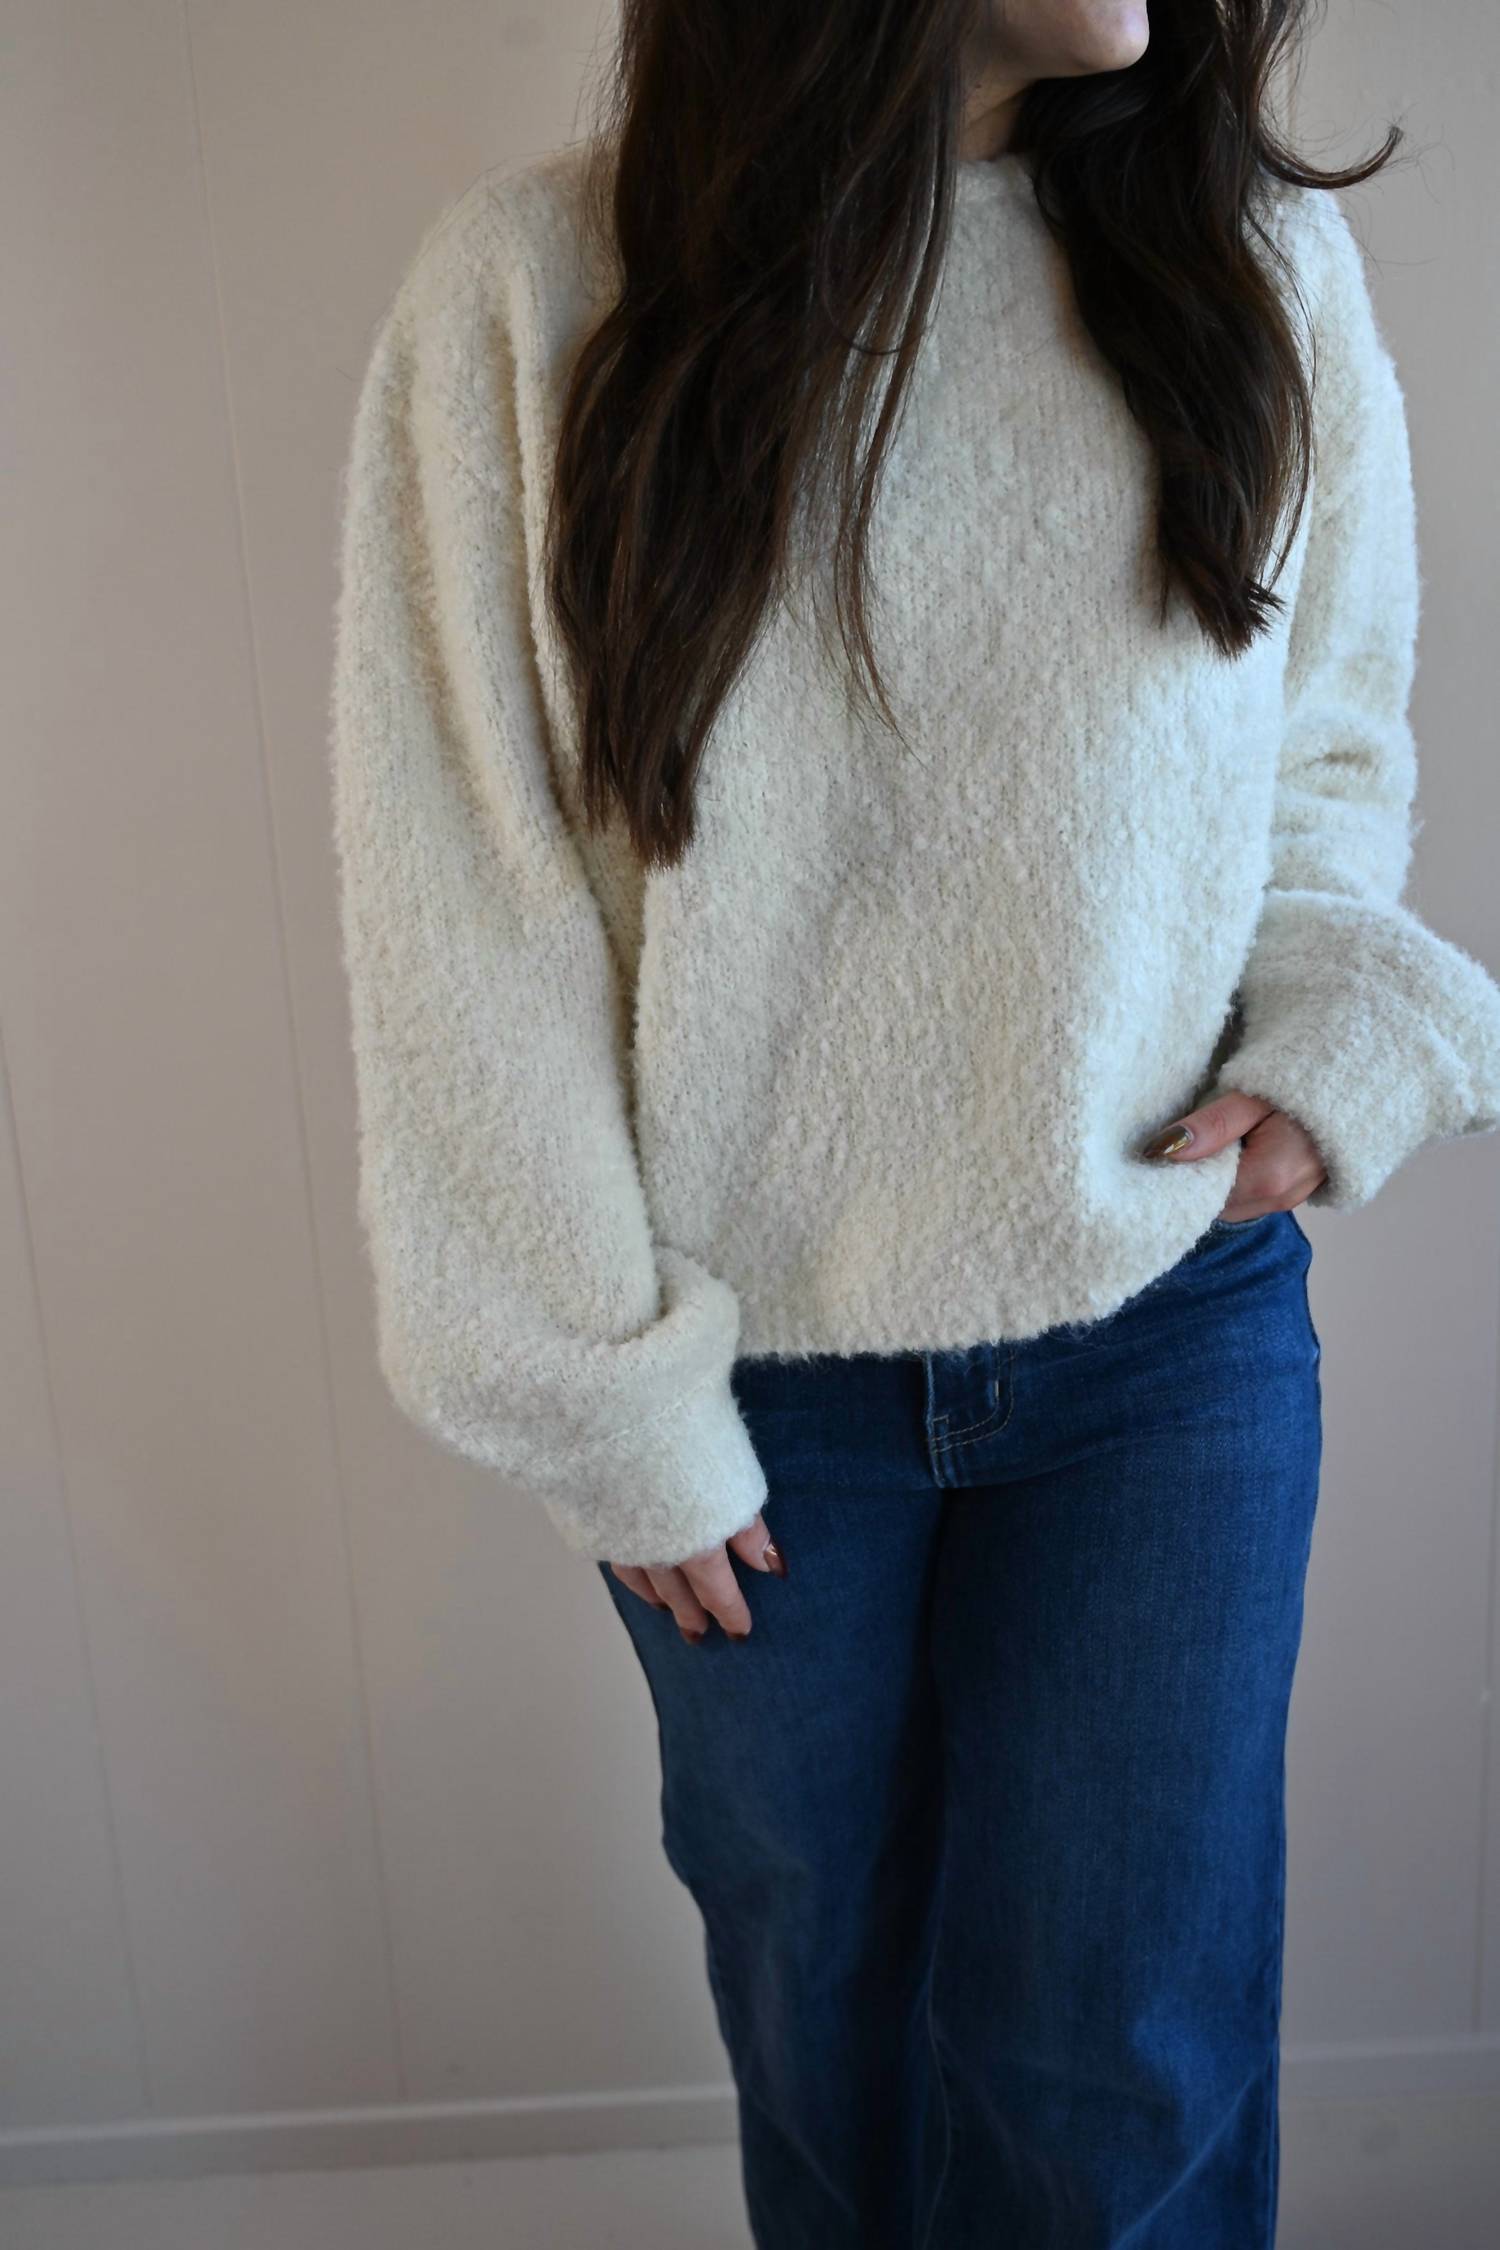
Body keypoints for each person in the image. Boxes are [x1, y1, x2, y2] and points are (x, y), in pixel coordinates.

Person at [328, 3, 1500, 2242]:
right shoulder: (532, 298)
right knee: (834, 2040)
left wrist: (1330, 1036)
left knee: (1125, 2071)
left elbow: (1327, 742)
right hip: (751, 1407)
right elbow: (469, 893)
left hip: (1164, 1335)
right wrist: (602, 1395)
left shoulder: (1248, 265)